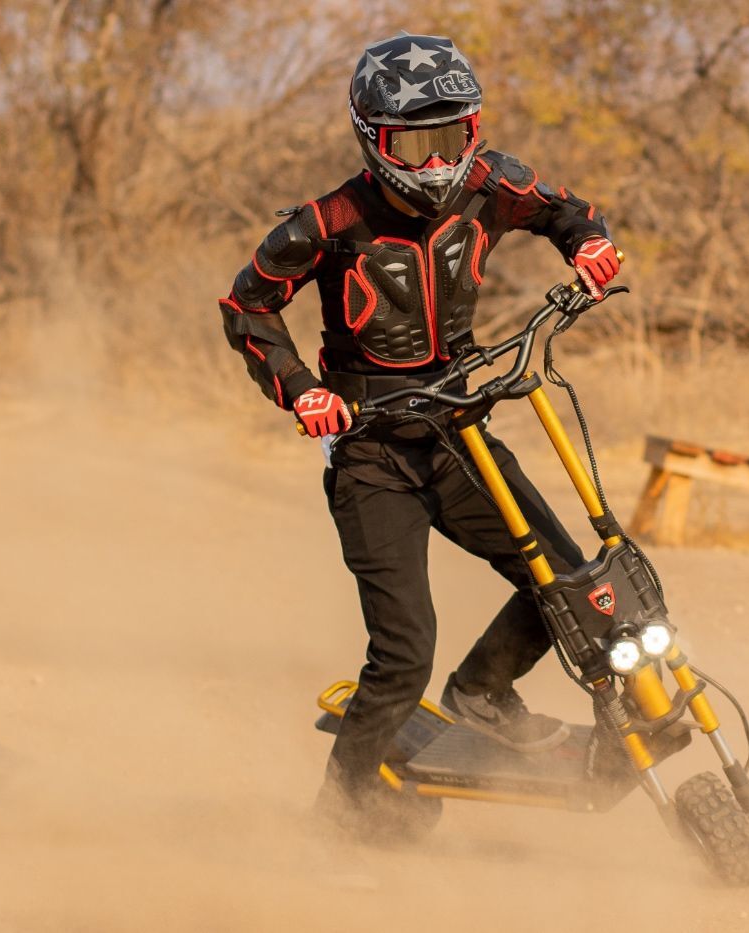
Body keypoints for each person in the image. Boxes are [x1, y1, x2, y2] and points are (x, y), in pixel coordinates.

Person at [216, 33, 621, 818]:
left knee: (570, 583)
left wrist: (592, 245)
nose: (436, 163)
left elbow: (571, 212)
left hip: (458, 432)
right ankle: (343, 812)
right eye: (414, 143)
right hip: (371, 455)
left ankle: (483, 693)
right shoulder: (327, 221)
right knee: (402, 657)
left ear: (472, 130)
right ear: (373, 136)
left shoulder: (494, 182)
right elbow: (248, 306)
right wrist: (301, 390)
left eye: (451, 138)